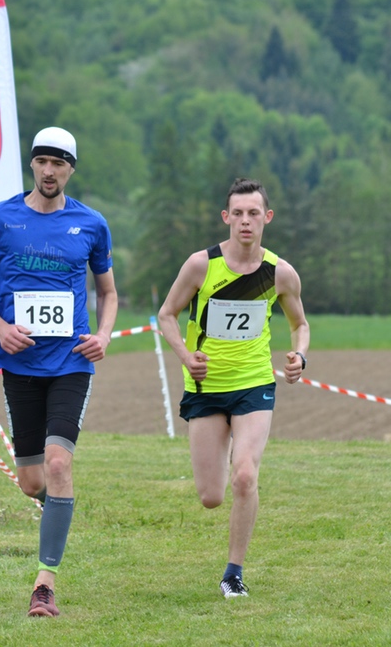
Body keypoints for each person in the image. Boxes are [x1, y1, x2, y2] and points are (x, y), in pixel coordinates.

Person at [0, 126, 118, 618]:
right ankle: (60, 505)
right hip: (20, 364)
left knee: (57, 464)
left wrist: (103, 335)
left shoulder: (91, 224)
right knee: (32, 482)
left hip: (71, 362)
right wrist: (0, 328)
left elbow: (108, 292)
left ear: (71, 169)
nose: (50, 171)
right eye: (43, 162)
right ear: (32, 164)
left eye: (59, 164)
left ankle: (44, 585)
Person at [157, 177, 309, 599]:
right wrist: (186, 356)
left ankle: (233, 573)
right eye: (238, 213)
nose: (245, 221)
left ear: (267, 218)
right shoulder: (201, 266)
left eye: (253, 213)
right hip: (206, 387)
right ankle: (225, 447)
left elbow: (300, 324)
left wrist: (300, 356)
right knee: (210, 496)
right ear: (226, 217)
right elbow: (167, 314)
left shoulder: (279, 273)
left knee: (244, 475)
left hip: (254, 384)